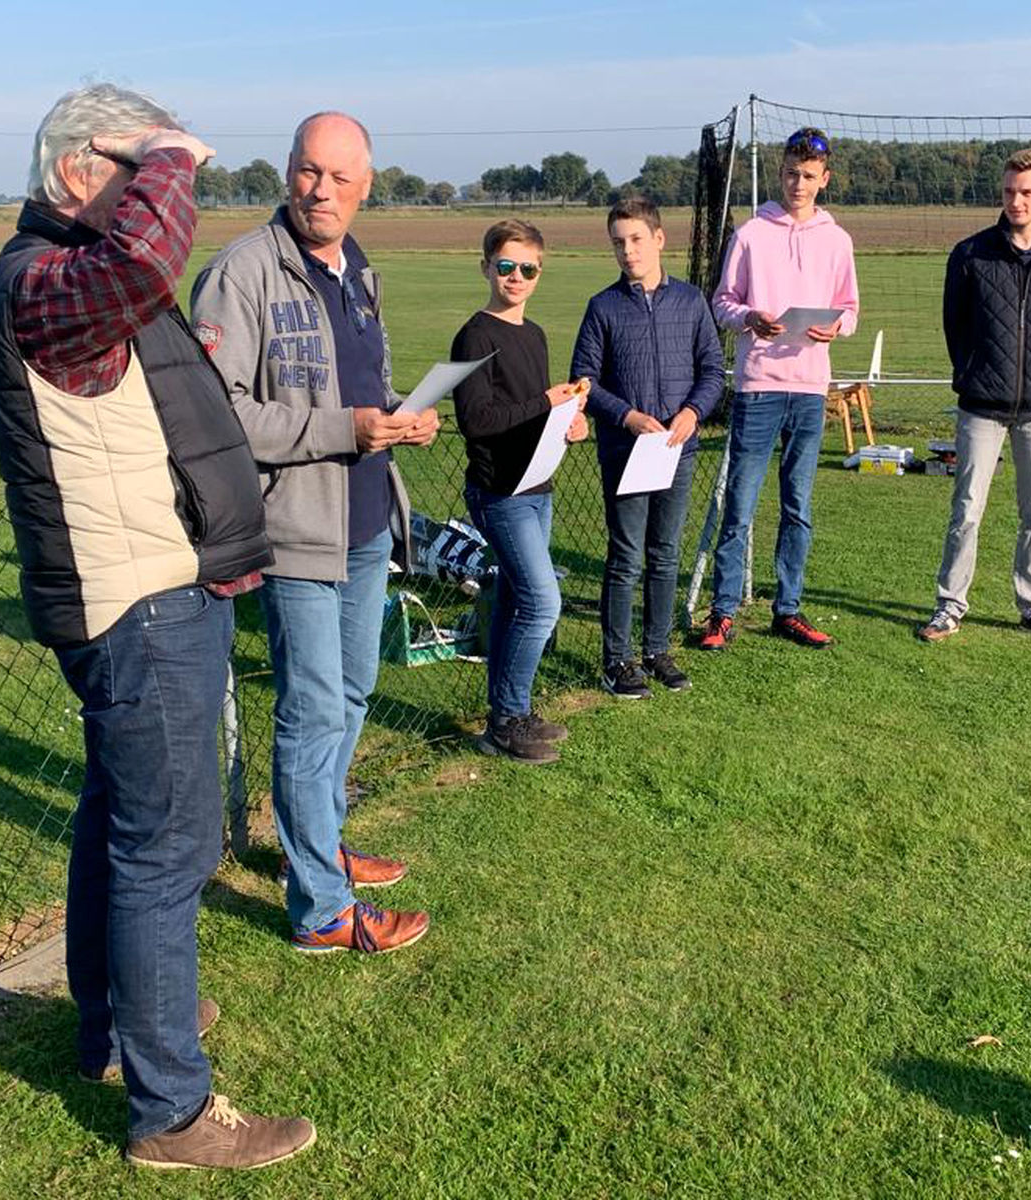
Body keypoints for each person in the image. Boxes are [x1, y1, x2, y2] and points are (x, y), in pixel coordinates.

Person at [0, 83, 313, 1170]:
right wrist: (171, 152)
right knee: (168, 852)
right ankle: (171, 1110)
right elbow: (144, 262)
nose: (155, 191)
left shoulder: (67, 278)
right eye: (134, 169)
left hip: (149, 588)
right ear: (80, 169)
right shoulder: (45, 285)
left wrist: (151, 155)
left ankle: (118, 1026)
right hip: (140, 604)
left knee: (120, 820)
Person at [191, 112, 435, 955]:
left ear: (366, 186)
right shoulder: (242, 273)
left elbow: (363, 385)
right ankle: (321, 910)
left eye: (338, 177)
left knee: (354, 693)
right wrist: (345, 430)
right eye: (307, 171)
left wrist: (401, 417)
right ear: (286, 171)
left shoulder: (357, 269)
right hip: (296, 528)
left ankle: (322, 844)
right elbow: (216, 415)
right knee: (312, 709)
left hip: (365, 521)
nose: (319, 190)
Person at [919, 146, 1031, 644]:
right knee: (966, 510)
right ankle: (949, 606)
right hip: (981, 405)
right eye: (1010, 191)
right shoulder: (970, 254)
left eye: (1027, 192)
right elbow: (954, 325)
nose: (1017, 201)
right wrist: (975, 369)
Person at [701, 126, 859, 652]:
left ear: (824, 179)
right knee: (740, 504)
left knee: (798, 506)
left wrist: (837, 327)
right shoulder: (751, 234)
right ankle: (722, 612)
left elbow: (850, 309)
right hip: (758, 387)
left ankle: (787, 609)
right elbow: (723, 303)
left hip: (810, 389)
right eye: (792, 174)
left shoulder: (837, 240)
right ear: (780, 173)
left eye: (809, 176)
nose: (798, 184)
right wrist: (750, 318)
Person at [572, 197, 723, 698]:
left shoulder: (691, 301)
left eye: (636, 239)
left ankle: (657, 650)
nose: (628, 251)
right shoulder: (603, 307)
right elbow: (584, 381)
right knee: (626, 556)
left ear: (659, 239)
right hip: (626, 451)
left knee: (665, 552)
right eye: (618, 242)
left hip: (678, 448)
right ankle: (617, 660)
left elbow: (712, 370)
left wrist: (692, 413)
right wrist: (628, 417)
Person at [451, 219, 589, 764]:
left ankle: (512, 714)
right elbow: (476, 421)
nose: (516, 277)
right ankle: (506, 721)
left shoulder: (534, 334)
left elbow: (534, 416)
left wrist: (568, 421)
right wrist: (545, 402)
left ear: (539, 273)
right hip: (499, 492)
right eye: (506, 266)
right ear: (486, 267)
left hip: (538, 485)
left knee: (515, 602)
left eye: (527, 269)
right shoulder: (474, 336)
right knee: (542, 602)